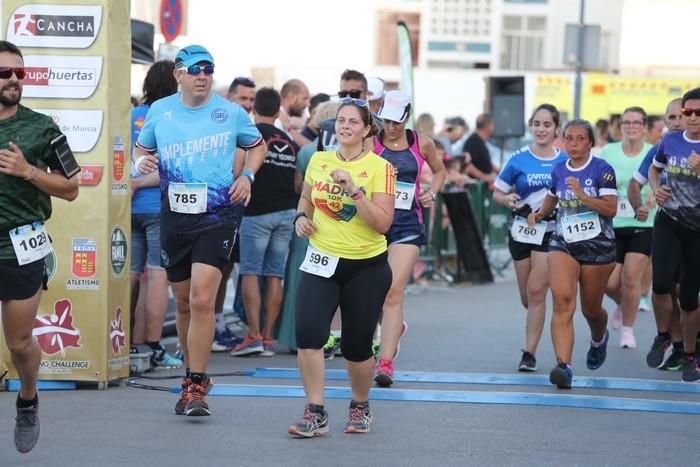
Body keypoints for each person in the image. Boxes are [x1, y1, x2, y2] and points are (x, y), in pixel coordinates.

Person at [135, 44, 267, 416]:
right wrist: (142, 161)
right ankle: (195, 376)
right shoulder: (160, 111)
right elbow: (140, 152)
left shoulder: (230, 112)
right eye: (194, 69)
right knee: (183, 303)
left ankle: (195, 384)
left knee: (202, 299)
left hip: (218, 216)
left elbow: (258, 148)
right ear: (178, 74)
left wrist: (247, 175)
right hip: (175, 216)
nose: (202, 75)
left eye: (208, 69)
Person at [288, 98, 395, 437]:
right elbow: (306, 198)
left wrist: (354, 190)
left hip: (366, 266)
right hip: (321, 259)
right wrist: (301, 218)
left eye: (353, 122)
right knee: (308, 334)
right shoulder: (319, 160)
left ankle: (360, 404)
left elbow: (382, 224)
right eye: (341, 120)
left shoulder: (382, 168)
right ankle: (315, 410)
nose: (345, 126)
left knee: (356, 345)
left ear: (367, 130)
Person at [0, 40, 79, 452]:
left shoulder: (42, 127)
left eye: (19, 73)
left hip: (19, 247)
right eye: (4, 73)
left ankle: (28, 397)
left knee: (18, 343)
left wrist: (28, 170)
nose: (13, 79)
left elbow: (71, 189)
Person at [528, 119, 617, 389]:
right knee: (563, 300)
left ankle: (599, 337)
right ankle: (563, 366)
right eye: (569, 139)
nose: (574, 144)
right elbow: (553, 196)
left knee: (591, 309)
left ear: (590, 142)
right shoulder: (558, 170)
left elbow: (611, 209)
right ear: (563, 141)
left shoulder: (603, 170)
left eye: (580, 139)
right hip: (563, 241)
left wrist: (581, 195)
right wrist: (541, 213)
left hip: (598, 246)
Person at [372, 90, 446, 387]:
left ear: (407, 117)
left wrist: (432, 191)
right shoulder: (370, 142)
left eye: (396, 121)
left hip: (407, 225)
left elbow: (439, 172)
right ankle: (393, 327)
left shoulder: (421, 143)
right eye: (386, 120)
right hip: (373, 223)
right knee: (373, 292)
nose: (391, 127)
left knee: (392, 291)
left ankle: (386, 363)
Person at [493, 104, 568, 372]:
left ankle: (529, 353)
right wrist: (507, 199)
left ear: (556, 128)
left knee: (537, 291)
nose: (541, 129)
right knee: (528, 297)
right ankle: (533, 330)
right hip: (522, 230)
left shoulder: (564, 161)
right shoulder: (518, 158)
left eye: (547, 125)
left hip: (550, 232)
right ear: (530, 126)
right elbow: (497, 193)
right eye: (537, 124)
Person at [230, 87, 298, 357]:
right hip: (286, 214)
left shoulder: (250, 135)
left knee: (249, 272)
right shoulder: (288, 140)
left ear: (255, 108)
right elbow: (295, 181)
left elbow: (236, 172)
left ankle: (253, 335)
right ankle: (268, 337)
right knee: (274, 275)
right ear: (277, 108)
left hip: (256, 213)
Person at [129, 60, 182, 369]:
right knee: (159, 276)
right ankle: (153, 346)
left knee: (130, 275)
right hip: (160, 207)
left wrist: (132, 183)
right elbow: (169, 167)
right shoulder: (172, 119)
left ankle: (123, 341)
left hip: (128, 206)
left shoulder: (133, 115)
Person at [628, 98, 685, 370]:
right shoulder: (660, 149)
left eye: (681, 116)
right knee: (665, 288)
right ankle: (676, 344)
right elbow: (636, 182)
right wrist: (642, 203)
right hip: (667, 227)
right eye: (670, 117)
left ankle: (689, 345)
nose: (675, 122)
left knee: (687, 293)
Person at [648, 88, 700, 383]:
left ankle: (691, 355)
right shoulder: (670, 141)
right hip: (669, 220)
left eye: (697, 113)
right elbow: (655, 170)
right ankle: (663, 335)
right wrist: (657, 189)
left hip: (698, 231)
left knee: (690, 298)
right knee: (661, 283)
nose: (691, 118)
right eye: (687, 113)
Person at [210, 76, 258, 353]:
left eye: (251, 99)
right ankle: (208, 329)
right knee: (212, 270)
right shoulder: (220, 124)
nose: (248, 104)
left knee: (224, 271)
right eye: (244, 99)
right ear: (230, 98)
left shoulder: (244, 126)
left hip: (234, 210)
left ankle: (217, 323)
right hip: (215, 209)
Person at [601, 106, 653, 349]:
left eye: (636, 122)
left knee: (631, 278)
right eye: (627, 122)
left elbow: (660, 184)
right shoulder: (609, 151)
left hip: (643, 222)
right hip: (612, 224)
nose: (631, 126)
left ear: (643, 127)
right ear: (620, 126)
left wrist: (650, 201)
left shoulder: (653, 152)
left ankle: (628, 331)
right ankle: (623, 305)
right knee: (610, 283)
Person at [463, 114, 498, 182]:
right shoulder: (473, 141)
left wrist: (499, 171)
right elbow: (467, 164)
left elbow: (484, 161)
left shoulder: (480, 141)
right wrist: (484, 177)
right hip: (477, 186)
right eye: (493, 125)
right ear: (488, 126)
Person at [278, 79, 311, 147]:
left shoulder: (286, 122)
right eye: (304, 98)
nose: (308, 104)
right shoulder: (277, 122)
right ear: (291, 97)